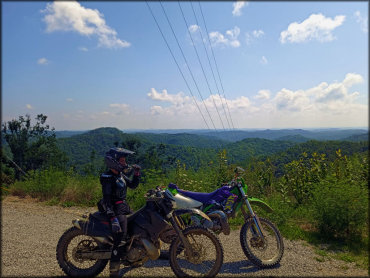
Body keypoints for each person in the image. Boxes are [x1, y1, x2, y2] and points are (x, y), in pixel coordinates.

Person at [98, 147, 141, 278]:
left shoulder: (119, 175)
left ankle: (133, 257)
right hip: (113, 209)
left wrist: (137, 173)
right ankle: (114, 270)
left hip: (123, 206)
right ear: (113, 161)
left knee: (138, 224)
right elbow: (106, 200)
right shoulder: (107, 178)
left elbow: (133, 185)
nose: (124, 162)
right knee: (121, 236)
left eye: (124, 160)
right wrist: (113, 219)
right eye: (121, 160)